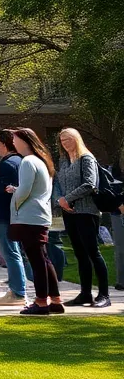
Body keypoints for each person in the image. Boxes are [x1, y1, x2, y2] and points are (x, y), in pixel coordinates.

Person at [8, 128, 64, 316]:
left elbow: (24, 191)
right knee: (43, 258)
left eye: (15, 140)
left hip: (30, 216)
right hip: (40, 215)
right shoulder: (41, 161)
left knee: (37, 260)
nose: (13, 143)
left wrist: (15, 200)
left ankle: (41, 302)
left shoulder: (28, 161)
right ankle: (55, 300)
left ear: (24, 141)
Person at [55, 127, 112, 308]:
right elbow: (58, 182)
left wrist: (67, 199)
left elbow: (90, 184)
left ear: (77, 139)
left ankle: (104, 295)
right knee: (80, 254)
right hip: (69, 212)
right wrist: (61, 200)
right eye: (62, 140)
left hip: (87, 211)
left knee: (93, 252)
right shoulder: (64, 160)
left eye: (68, 139)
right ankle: (85, 293)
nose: (65, 143)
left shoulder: (86, 158)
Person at [0, 129, 27, 306]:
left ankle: (17, 292)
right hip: (15, 213)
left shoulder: (7, 164)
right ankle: (17, 289)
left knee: (10, 252)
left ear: (4, 143)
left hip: (5, 213)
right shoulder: (19, 161)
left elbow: (4, 191)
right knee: (14, 252)